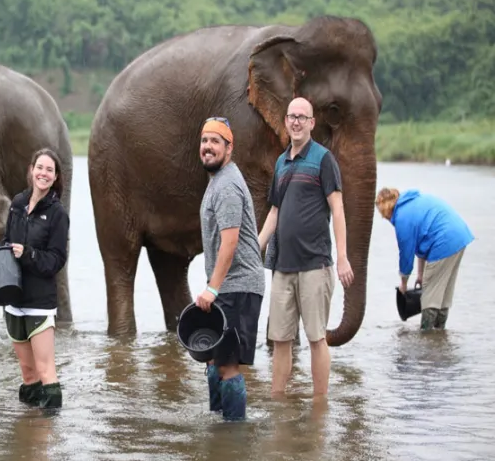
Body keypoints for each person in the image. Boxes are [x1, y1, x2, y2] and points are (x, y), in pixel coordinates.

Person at [257, 97, 354, 398]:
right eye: (292, 116)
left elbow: (337, 208)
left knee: (316, 338)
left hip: (315, 265)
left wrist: (342, 257)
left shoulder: (324, 160)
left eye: (303, 117)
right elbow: (274, 211)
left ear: (312, 123)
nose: (296, 122)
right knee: (280, 339)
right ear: (285, 122)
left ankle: (319, 405)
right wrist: (254, 247)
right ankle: (277, 401)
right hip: (283, 268)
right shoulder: (281, 162)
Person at [196, 116, 265, 422]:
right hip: (227, 285)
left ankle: (233, 435)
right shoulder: (218, 181)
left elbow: (230, 242)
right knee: (213, 359)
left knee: (227, 364)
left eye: (215, 141)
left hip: (238, 286)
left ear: (229, 147)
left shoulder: (226, 186)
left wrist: (213, 288)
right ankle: (219, 427)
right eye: (204, 141)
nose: (208, 147)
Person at [0, 148, 69, 409]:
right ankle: (28, 431)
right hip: (13, 298)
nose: (43, 173)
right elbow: (8, 240)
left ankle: (49, 436)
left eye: (49, 170)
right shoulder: (17, 203)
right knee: (28, 372)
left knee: (45, 369)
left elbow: (56, 260)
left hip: (39, 302)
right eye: (39, 167)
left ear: (55, 177)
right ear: (31, 170)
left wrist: (27, 254)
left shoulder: (57, 214)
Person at [375, 187, 474, 330]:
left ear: (386, 209)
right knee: (444, 292)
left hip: (444, 241)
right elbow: (421, 244)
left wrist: (403, 284)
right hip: (459, 237)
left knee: (430, 294)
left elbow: (406, 257)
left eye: (381, 213)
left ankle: (426, 335)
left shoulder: (402, 218)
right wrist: (420, 274)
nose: (383, 217)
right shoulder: (411, 203)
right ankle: (440, 334)